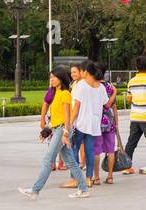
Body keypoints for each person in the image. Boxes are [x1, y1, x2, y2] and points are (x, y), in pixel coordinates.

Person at [19, 66, 88, 199]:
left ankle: (35, 190)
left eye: (54, 77)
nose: (51, 79)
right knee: (71, 162)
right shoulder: (54, 93)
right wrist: (46, 131)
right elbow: (56, 117)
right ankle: (84, 189)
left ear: (61, 79)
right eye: (50, 77)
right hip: (57, 129)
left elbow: (67, 116)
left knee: (48, 159)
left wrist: (66, 133)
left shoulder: (65, 94)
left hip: (63, 130)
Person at [63, 61, 108, 197]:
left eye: (81, 71)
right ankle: (88, 178)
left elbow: (76, 108)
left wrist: (69, 124)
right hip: (94, 124)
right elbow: (106, 104)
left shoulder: (81, 85)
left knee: (74, 150)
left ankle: (75, 178)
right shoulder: (100, 87)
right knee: (89, 151)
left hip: (81, 123)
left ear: (85, 72)